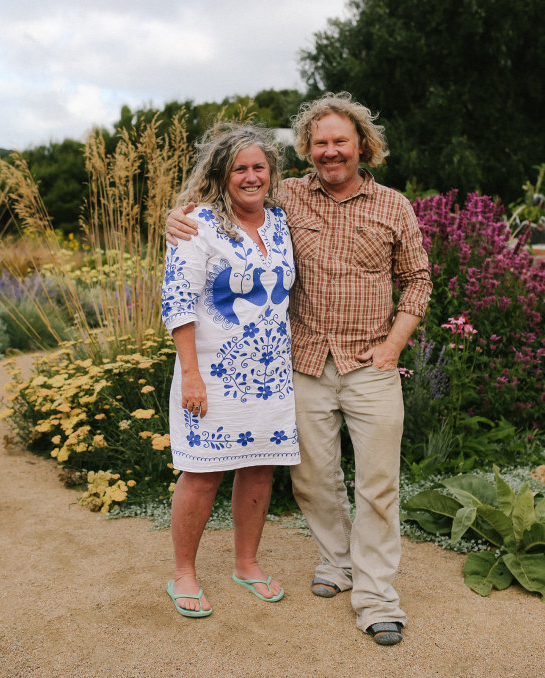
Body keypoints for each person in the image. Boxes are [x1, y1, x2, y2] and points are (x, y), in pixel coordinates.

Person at [166, 92, 432, 644]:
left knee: (377, 485)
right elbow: (227, 184)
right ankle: (337, 564)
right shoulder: (286, 195)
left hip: (368, 363)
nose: (331, 152)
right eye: (320, 143)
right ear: (307, 150)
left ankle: (377, 597)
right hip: (304, 365)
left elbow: (419, 281)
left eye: (341, 141)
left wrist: (394, 347)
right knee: (313, 482)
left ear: (363, 145)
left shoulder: (394, 206)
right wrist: (178, 213)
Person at [162, 123, 299, 619]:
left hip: (270, 372)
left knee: (260, 466)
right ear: (221, 174)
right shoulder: (196, 225)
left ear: (271, 172)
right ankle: (183, 574)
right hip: (212, 373)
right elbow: (177, 302)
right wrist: (191, 375)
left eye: (258, 166)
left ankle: (246, 563)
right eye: (239, 168)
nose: (250, 176)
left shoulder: (282, 220)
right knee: (202, 473)